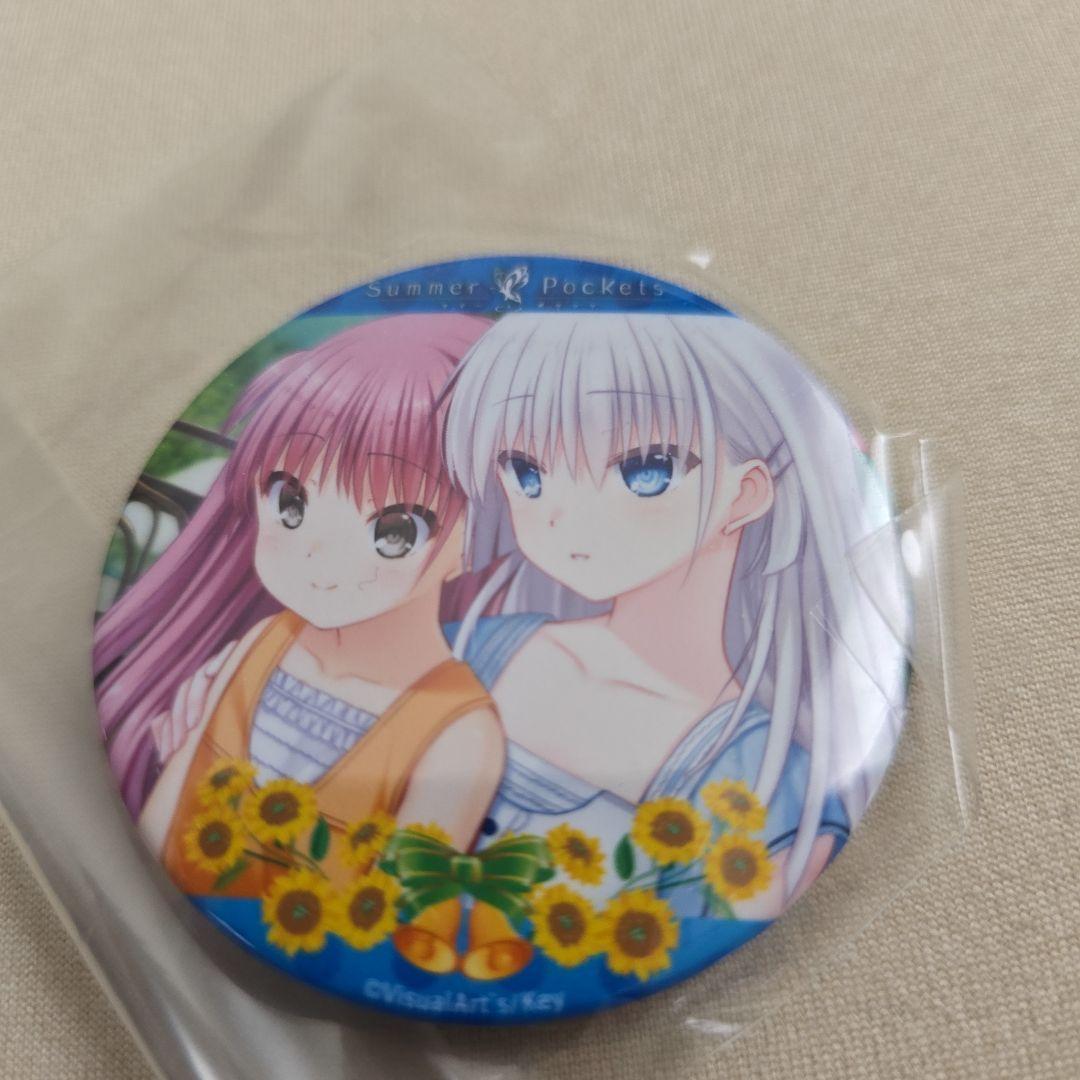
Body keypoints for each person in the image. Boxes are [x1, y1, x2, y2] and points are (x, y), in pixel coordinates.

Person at [441, 312, 907, 919]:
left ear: (745, 494)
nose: (560, 513)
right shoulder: (473, 648)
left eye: (645, 471)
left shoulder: (767, 778)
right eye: (527, 472)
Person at [93, 314, 503, 895]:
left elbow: (400, 918)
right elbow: (167, 814)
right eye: (290, 500)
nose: (315, 556)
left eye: (395, 530)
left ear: (483, 538)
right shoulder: (261, 645)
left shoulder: (458, 735)